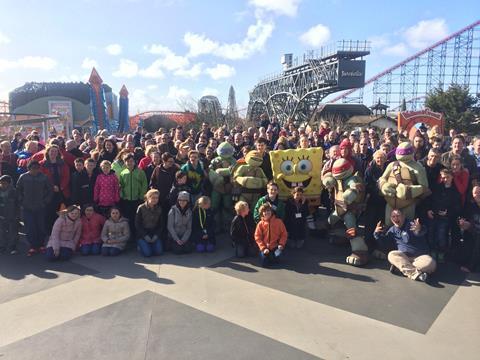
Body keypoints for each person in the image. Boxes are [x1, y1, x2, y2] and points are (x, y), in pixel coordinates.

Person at [374, 209, 436, 282]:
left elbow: (422, 231)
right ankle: (417, 274)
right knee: (391, 255)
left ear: (403, 216)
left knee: (431, 263)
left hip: (420, 258)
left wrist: (419, 229)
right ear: (391, 219)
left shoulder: (412, 224)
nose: (395, 218)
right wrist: (376, 234)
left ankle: (402, 267)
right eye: (393, 216)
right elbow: (385, 244)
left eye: (398, 216)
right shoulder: (392, 230)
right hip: (404, 257)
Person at [16, 160, 53, 256]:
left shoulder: (44, 177)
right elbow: (18, 190)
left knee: (41, 226)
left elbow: (50, 190)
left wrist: (45, 202)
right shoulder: (23, 177)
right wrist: (22, 201)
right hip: (27, 207)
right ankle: (32, 246)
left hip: (40, 206)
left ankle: (41, 245)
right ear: (29, 168)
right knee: (30, 227)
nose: (35, 170)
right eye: (33, 168)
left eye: (37, 168)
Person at [426, 168, 461, 262]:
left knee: (442, 235)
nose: (445, 179)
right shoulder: (436, 187)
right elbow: (429, 199)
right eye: (443, 177)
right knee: (431, 233)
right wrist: (428, 210)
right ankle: (432, 251)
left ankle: (441, 252)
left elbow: (457, 207)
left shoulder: (455, 191)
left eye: (447, 177)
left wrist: (448, 212)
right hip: (433, 214)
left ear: (452, 177)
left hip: (445, 217)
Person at [40, 144, 71, 233]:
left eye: (55, 151)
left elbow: (66, 177)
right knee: (49, 212)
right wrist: (51, 187)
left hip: (61, 191)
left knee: (61, 212)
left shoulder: (62, 163)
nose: (53, 153)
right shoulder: (42, 164)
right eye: (51, 151)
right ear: (48, 152)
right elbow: (41, 178)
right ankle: (49, 232)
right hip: (48, 192)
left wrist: (60, 187)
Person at [364, 150, 388, 257]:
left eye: (382, 158)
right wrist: (377, 189)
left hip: (384, 201)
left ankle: (379, 244)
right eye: (378, 158)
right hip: (373, 199)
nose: (380, 160)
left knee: (381, 222)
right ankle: (368, 244)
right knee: (370, 222)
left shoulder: (387, 168)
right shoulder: (370, 169)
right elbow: (366, 184)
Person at [119, 153, 148, 240]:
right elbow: (121, 186)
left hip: (137, 199)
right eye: (127, 161)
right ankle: (130, 237)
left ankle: (138, 236)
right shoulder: (123, 173)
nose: (129, 163)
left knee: (137, 219)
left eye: (131, 161)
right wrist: (122, 196)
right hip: (127, 200)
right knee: (128, 219)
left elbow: (144, 184)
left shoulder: (140, 172)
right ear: (125, 162)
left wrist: (141, 196)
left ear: (135, 162)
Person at [456, 186, 480, 272]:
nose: (478, 194)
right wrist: (462, 222)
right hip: (472, 230)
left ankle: (471, 267)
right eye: (475, 193)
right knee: (467, 237)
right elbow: (462, 217)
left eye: (479, 192)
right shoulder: (470, 206)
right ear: (472, 195)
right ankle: (463, 261)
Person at [135, 189, 163, 257]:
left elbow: (161, 225)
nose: (155, 200)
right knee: (148, 254)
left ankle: (151, 245)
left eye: (157, 198)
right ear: (148, 197)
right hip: (143, 234)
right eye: (153, 197)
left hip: (154, 233)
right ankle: (140, 245)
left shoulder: (159, 208)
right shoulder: (141, 208)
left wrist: (156, 235)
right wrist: (145, 236)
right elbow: (137, 224)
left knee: (158, 252)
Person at [0, 175, 18, 254]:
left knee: (13, 232)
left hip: (12, 215)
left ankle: (12, 247)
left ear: (9, 183)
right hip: (1, 215)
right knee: (2, 232)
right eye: (1, 183)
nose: (3, 185)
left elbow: (18, 205)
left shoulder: (14, 192)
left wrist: (17, 215)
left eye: (5, 183)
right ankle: (2, 246)